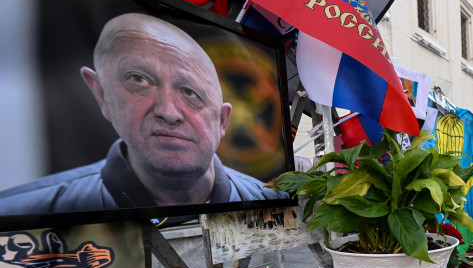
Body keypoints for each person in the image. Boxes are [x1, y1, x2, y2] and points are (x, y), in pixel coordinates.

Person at [0, 13, 287, 215]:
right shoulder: (23, 211)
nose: (169, 112)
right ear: (101, 93)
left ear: (223, 121)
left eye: (190, 93)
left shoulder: (271, 197)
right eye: (139, 80)